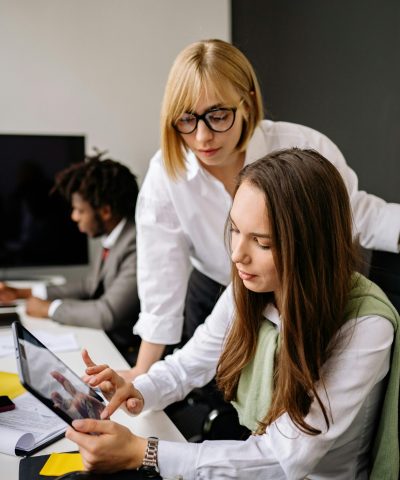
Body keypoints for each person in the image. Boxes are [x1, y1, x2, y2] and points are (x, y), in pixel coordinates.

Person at [66, 149, 399, 479]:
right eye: (236, 230)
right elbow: (189, 364)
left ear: (311, 248)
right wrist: (139, 389)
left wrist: (144, 452)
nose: (238, 254)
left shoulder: (365, 325)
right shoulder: (251, 289)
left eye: (262, 243)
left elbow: (284, 459)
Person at [124, 38, 400, 381]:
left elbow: (360, 216)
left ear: (248, 102)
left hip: (295, 296)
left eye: (218, 116)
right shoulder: (166, 174)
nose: (202, 137)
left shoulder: (303, 147)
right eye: (186, 120)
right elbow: (160, 280)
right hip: (216, 297)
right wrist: (141, 372)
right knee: (212, 397)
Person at [0, 152, 140, 356]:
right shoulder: (114, 236)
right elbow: (88, 286)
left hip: (127, 352)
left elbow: (107, 313)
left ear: (106, 211)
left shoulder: (135, 243)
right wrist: (24, 293)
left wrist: (49, 309)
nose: (74, 217)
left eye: (80, 210)